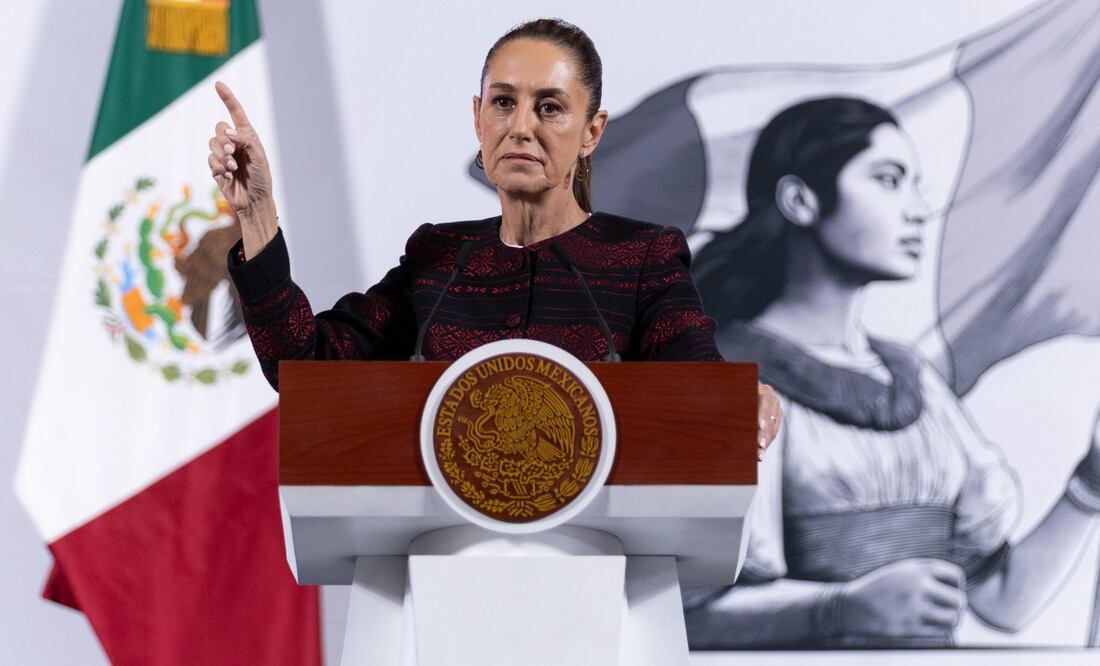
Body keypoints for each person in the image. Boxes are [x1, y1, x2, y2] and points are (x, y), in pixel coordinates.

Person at [206, 18, 782, 454]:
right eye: (503, 103)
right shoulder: (438, 257)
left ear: (591, 132)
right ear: (478, 119)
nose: (521, 127)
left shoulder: (642, 258)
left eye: (550, 107)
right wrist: (257, 216)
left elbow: (694, 376)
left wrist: (735, 399)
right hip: (444, 578)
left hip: (598, 581)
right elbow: (303, 366)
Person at [683, 96, 1100, 648]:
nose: (917, 208)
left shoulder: (915, 379)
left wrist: (1091, 481)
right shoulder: (722, 375)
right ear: (800, 200)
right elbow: (682, 616)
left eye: (914, 183)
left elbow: (1002, 603)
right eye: (888, 179)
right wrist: (838, 609)